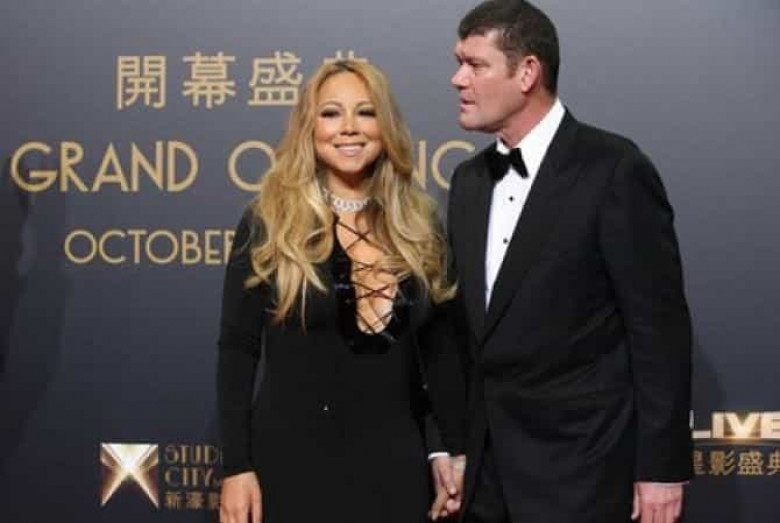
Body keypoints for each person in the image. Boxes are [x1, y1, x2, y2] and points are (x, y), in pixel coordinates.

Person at [431, 2, 693, 522]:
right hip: (485, 478)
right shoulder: (468, 182)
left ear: (527, 72)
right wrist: (453, 444)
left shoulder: (613, 169)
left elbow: (658, 330)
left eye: (475, 64)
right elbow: (461, 334)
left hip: (583, 472)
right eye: (459, 63)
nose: (458, 79)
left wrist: (661, 468)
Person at [216, 60, 465, 523]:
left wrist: (450, 449)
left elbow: (438, 353)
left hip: (394, 468)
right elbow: (237, 349)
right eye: (331, 113)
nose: (349, 127)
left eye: (366, 112)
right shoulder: (271, 221)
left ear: (385, 126)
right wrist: (236, 467)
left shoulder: (419, 224)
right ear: (308, 127)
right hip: (291, 465)